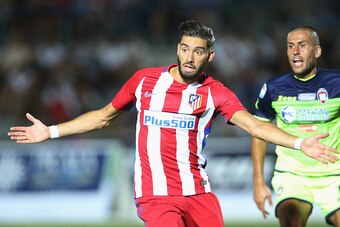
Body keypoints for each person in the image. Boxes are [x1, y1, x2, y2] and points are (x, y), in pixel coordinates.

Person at [8, 21, 339, 227]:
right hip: (156, 196)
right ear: (177, 50)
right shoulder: (144, 81)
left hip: (199, 193)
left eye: (198, 51)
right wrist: (50, 131)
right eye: (184, 49)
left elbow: (255, 126)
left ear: (210, 56)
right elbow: (103, 116)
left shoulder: (215, 92)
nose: (189, 57)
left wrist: (298, 143)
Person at [252, 25, 340, 227]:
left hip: (334, 174)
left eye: (302, 45)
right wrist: (258, 181)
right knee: (291, 220)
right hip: (292, 175)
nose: (295, 51)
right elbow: (258, 132)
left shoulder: (336, 84)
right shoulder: (274, 87)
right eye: (290, 46)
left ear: (317, 51)